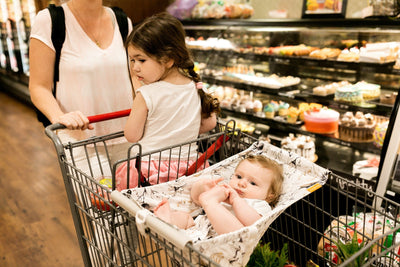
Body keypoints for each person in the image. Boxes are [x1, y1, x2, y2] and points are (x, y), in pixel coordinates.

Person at [115, 12, 220, 191]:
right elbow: (210, 123)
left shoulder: (146, 94)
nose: (134, 67)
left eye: (141, 60)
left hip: (150, 174)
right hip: (189, 169)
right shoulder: (195, 86)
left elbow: (132, 135)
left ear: (168, 59)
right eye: (132, 60)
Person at [29, 0, 134, 178]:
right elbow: (38, 87)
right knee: (99, 203)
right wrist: (59, 116)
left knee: (135, 201)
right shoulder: (50, 21)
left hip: (129, 134)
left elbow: (135, 77)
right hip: (80, 141)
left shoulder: (122, 21)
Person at [153, 154, 284, 237]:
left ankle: (210, 204)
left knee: (241, 233)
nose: (242, 183)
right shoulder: (224, 191)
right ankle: (168, 221)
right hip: (199, 229)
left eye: (253, 183)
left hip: (226, 240)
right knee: (185, 217)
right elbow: (196, 199)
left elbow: (254, 223)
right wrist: (203, 186)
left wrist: (235, 200)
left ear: (269, 196)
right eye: (239, 176)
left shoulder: (261, 204)